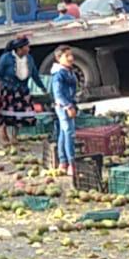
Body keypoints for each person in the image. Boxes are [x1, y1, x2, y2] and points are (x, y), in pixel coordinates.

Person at [0, 37, 43, 144]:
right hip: (9, 89)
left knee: (20, 114)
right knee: (6, 113)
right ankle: (3, 132)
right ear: (19, 49)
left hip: (23, 90)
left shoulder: (29, 59)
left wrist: (41, 87)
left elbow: (34, 74)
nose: (29, 48)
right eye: (27, 46)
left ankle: (14, 136)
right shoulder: (6, 58)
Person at [51, 46, 79, 174]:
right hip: (63, 107)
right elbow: (58, 94)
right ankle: (71, 164)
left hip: (67, 105)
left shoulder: (68, 71)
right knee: (69, 133)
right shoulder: (59, 74)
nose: (71, 58)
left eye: (71, 55)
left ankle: (63, 162)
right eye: (67, 56)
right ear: (58, 58)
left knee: (63, 133)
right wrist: (68, 106)